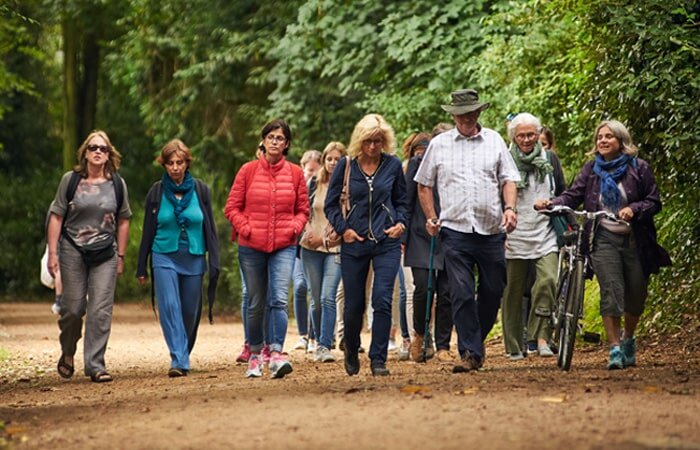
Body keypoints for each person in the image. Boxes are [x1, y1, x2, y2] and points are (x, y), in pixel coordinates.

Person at [535, 120, 670, 370]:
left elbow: (654, 201)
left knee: (636, 295)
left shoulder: (639, 168)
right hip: (602, 237)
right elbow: (573, 195)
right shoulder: (591, 170)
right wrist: (551, 204)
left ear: (621, 141)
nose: (603, 141)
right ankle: (615, 348)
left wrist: (634, 208)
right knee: (611, 290)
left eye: (609, 136)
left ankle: (629, 339)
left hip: (635, 240)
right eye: (600, 137)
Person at [414, 88, 520, 373]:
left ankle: (475, 342)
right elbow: (424, 183)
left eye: (471, 113)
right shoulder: (440, 145)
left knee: (493, 290)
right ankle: (471, 352)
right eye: (460, 114)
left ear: (478, 112)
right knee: (460, 292)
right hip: (455, 230)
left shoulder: (495, 140)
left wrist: (510, 209)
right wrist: (431, 216)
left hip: (490, 229)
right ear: (453, 115)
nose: (466, 118)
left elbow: (509, 178)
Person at [224, 119, 309, 379]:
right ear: (263, 141)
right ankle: (255, 354)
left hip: (283, 245)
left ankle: (276, 353)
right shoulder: (248, 171)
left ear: (286, 144)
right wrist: (246, 228)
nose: (275, 141)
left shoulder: (295, 173)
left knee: (279, 299)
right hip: (251, 246)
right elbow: (232, 208)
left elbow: (303, 210)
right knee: (255, 302)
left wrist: (294, 227)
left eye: (280, 138)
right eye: (270, 137)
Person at [324, 113, 407, 377]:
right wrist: (343, 229)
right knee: (354, 304)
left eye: (378, 141)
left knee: (382, 299)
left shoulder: (393, 165)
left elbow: (403, 201)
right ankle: (351, 347)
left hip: (386, 241)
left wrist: (401, 223)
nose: (373, 147)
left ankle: (378, 359)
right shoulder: (346, 165)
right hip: (354, 243)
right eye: (369, 141)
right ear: (360, 141)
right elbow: (331, 204)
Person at [46, 130, 131, 383]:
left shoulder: (117, 183)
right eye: (93, 147)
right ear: (85, 152)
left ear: (108, 155)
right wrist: (53, 253)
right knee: (73, 308)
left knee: (100, 310)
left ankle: (95, 364)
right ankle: (68, 351)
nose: (97, 152)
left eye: (102, 149)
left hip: (105, 252)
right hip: (73, 249)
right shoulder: (70, 181)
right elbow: (56, 216)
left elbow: (124, 220)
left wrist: (121, 256)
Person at [136, 139, 219, 377]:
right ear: (163, 165)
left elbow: (210, 228)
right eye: (170, 163)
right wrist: (141, 265)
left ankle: (183, 350)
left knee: (190, 312)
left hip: (193, 256)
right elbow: (148, 229)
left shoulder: (201, 190)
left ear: (187, 163)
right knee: (170, 306)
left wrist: (214, 261)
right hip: (164, 255)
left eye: (179, 162)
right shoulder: (156, 192)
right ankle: (179, 359)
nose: (175, 167)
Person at [500, 113, 565, 361]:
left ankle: (541, 337)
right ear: (514, 137)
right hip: (513, 233)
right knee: (513, 291)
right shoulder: (505, 160)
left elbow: (563, 192)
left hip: (544, 232)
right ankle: (514, 346)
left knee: (548, 280)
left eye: (531, 134)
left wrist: (553, 203)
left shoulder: (549, 159)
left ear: (538, 134)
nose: (527, 140)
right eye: (521, 135)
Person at [300, 142, 347, 362]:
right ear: (324, 160)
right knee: (316, 299)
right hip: (311, 247)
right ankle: (317, 338)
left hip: (335, 247)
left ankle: (324, 345)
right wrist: (309, 231)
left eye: (338, 159)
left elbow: (348, 217)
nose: (333, 163)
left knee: (328, 296)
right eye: (330, 159)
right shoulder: (313, 183)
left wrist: (327, 239)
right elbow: (302, 212)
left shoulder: (348, 185)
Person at [292, 150, 322, 352]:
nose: (310, 175)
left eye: (314, 171)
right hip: (296, 247)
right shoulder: (295, 189)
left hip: (316, 246)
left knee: (315, 291)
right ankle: (302, 333)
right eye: (307, 170)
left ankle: (313, 335)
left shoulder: (322, 189)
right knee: (300, 287)